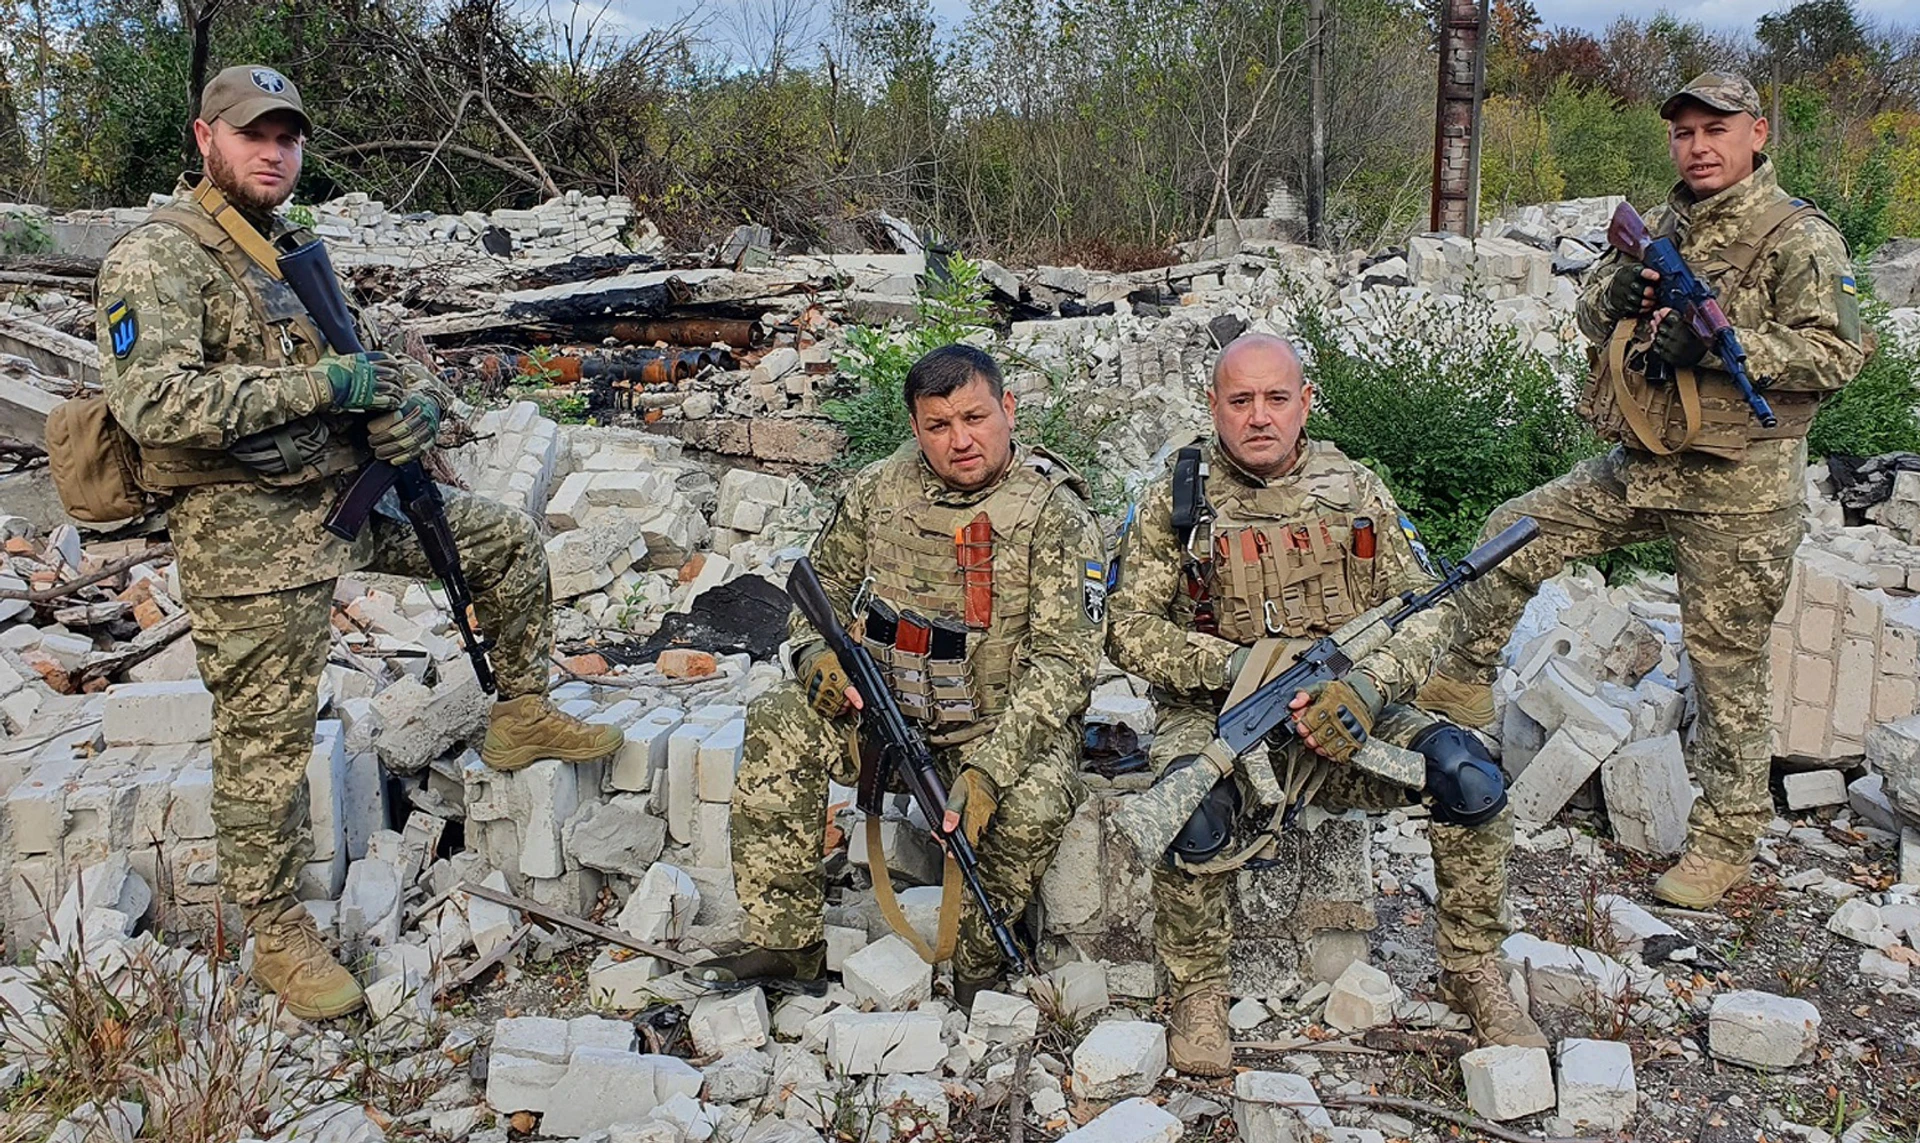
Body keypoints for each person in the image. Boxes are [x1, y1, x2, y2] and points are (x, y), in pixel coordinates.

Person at [95, 65, 623, 1020]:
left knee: (504, 542)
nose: (273, 153)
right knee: (267, 736)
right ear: (204, 140)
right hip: (246, 533)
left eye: (287, 137)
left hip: (347, 497)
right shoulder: (156, 257)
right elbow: (154, 403)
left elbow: (383, 361)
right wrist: (330, 389)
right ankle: (273, 928)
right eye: (252, 135)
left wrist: (416, 408)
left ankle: (520, 712)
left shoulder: (290, 250)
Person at [1417, 72, 1866, 910]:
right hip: (1647, 462)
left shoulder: (1800, 237)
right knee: (1517, 530)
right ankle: (1464, 679)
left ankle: (1726, 837)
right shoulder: (1661, 225)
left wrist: (1725, 345)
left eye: (1716, 130)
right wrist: (1615, 294)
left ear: (1757, 134)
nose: (1699, 147)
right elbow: (1593, 313)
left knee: (1725, 666)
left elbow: (1838, 356)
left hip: (1740, 486)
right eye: (1684, 133)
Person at [1106, 333, 1545, 1077]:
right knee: (1193, 813)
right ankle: (1199, 991)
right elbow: (1126, 627)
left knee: (1469, 776)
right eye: (1241, 400)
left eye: (1277, 398)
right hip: (1220, 713)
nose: (1259, 416)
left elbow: (1428, 608)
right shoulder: (1175, 500)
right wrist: (1238, 666)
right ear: (1213, 405)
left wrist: (1368, 689)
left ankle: (1470, 967)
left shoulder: (1356, 489)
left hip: (1348, 713)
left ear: (1305, 402)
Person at [700, 344, 1106, 1007]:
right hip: (886, 717)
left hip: (998, 729)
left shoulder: (1054, 513)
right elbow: (817, 591)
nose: (960, 440)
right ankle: (787, 943)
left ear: (1007, 409)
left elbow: (1066, 664)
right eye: (938, 425)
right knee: (778, 717)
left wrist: (991, 770)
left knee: (1033, 805)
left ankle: (978, 969)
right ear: (916, 428)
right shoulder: (879, 490)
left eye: (974, 417)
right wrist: (814, 657)